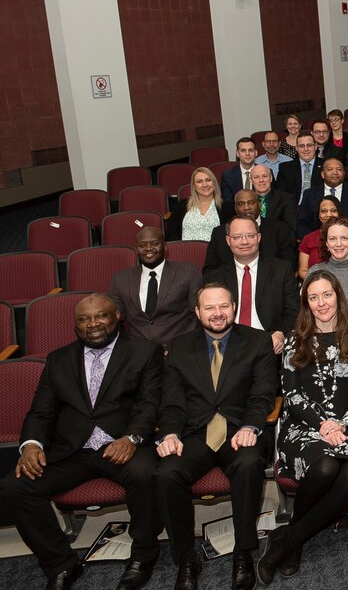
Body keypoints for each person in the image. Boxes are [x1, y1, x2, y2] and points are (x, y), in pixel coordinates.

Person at [1, 294, 162, 590]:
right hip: (72, 449)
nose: (93, 324)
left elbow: (149, 403)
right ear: (75, 325)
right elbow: (41, 411)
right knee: (16, 485)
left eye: (100, 316)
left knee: (145, 475)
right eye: (84, 319)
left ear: (117, 317)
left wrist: (132, 437)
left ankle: (144, 554)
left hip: (122, 444)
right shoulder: (58, 359)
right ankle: (61, 564)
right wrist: (32, 444)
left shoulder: (144, 351)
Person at [155, 283, 279, 590]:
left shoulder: (258, 341)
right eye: (209, 308)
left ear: (234, 307)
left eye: (223, 306)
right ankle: (185, 558)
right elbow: (171, 401)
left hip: (240, 431)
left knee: (249, 464)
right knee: (167, 472)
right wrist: (170, 433)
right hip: (195, 432)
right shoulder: (179, 346)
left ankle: (244, 553)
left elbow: (263, 394)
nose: (217, 313)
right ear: (197, 312)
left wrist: (251, 427)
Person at [257, 271, 348, 584]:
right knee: (324, 467)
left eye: (327, 295)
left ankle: (289, 539)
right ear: (306, 303)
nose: (322, 303)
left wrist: (343, 423)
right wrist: (323, 424)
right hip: (304, 424)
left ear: (338, 295)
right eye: (313, 297)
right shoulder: (295, 340)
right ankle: (297, 538)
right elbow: (291, 394)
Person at [204, 215, 298, 355]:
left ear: (259, 238)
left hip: (268, 343)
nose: (244, 242)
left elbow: (294, 310)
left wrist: (280, 333)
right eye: (237, 237)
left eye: (250, 236)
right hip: (227, 345)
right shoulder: (215, 277)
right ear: (228, 241)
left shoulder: (281, 269)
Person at [108, 226, 202, 346]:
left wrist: (181, 347)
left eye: (154, 243)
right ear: (136, 250)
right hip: (137, 350)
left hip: (179, 348)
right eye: (142, 245)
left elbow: (197, 314)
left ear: (165, 246)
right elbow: (115, 320)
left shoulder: (188, 272)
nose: (148, 249)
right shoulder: (120, 279)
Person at [202, 189, 296, 274]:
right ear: (235, 208)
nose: (246, 207)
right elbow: (210, 269)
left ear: (259, 204)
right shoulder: (219, 233)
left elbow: (288, 264)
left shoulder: (280, 229)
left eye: (251, 203)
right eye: (241, 204)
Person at [172, 166, 231, 242]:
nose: (205, 185)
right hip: (185, 251)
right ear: (194, 186)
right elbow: (172, 234)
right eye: (199, 181)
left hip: (215, 252)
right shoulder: (181, 205)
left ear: (214, 183)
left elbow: (229, 235)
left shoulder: (226, 207)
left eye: (208, 180)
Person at [297, 196, 340, 279]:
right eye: (324, 211)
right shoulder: (308, 239)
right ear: (318, 215)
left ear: (339, 213)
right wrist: (319, 283)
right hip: (315, 285)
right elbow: (303, 271)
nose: (329, 214)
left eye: (333, 210)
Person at [250, 163, 297, 231]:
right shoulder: (246, 200)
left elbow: (290, 229)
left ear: (271, 178)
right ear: (251, 181)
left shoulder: (287, 199)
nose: (261, 180)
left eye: (265, 176)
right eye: (256, 177)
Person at [220, 138, 261, 202]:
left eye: (250, 150)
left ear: (256, 153)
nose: (247, 153)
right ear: (237, 153)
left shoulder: (266, 173)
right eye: (243, 150)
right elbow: (227, 203)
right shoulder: (228, 176)